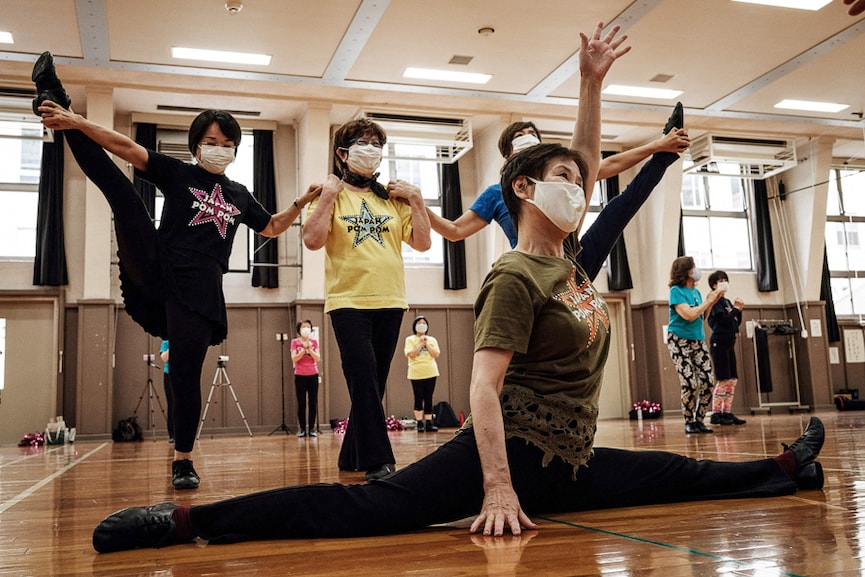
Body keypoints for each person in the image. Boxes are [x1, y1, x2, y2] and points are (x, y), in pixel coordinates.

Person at [89, 23, 826, 555]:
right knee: (367, 509)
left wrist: (591, 84)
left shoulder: (570, 260)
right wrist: (498, 488)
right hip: (504, 454)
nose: (580, 187)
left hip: (566, 457)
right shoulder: (514, 271)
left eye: (581, 179)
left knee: (672, 471)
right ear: (522, 192)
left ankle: (785, 468)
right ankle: (186, 521)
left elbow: (587, 160)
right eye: (564, 181)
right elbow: (479, 389)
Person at [34, 53, 321, 490]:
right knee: (122, 193)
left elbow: (274, 226)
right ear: (195, 145)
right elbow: (126, 148)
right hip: (157, 265)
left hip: (200, 292)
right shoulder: (180, 174)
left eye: (227, 142)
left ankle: (182, 459)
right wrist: (76, 122)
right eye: (210, 140)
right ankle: (59, 100)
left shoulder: (240, 194)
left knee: (184, 375)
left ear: (235, 149)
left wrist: (302, 202)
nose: (219, 147)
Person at [302, 118, 432, 481]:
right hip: (348, 300)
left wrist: (417, 200)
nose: (371, 149)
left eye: (377, 143)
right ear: (343, 153)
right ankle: (379, 459)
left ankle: (351, 454)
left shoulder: (391, 198)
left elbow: (422, 242)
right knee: (361, 375)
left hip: (390, 298)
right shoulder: (330, 195)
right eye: (363, 142)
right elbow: (312, 240)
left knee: (373, 382)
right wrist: (327, 194)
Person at [427, 107, 690, 281]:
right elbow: (454, 230)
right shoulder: (497, 193)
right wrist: (418, 204)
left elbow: (605, 166)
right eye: (519, 136)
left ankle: (663, 158)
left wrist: (658, 145)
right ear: (508, 152)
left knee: (617, 209)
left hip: (575, 255)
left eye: (532, 134)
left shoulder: (559, 176)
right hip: (538, 267)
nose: (527, 137)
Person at [666, 256, 725, 435]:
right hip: (679, 341)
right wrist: (708, 301)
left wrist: (711, 301)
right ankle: (689, 420)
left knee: (707, 381)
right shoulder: (676, 291)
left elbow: (701, 318)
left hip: (697, 340)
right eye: (694, 267)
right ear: (686, 271)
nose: (697, 270)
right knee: (690, 383)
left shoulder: (697, 294)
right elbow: (689, 315)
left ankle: (700, 420)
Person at [706, 271, 746, 426]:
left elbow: (734, 321)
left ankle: (726, 412)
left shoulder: (727, 301)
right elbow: (723, 320)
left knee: (732, 379)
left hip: (730, 341)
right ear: (714, 285)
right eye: (720, 281)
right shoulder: (714, 301)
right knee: (723, 379)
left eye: (725, 280)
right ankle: (716, 413)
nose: (724, 283)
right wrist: (736, 309)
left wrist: (738, 310)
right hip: (719, 341)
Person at [404, 315, 441, 433]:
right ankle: (419, 422)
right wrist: (420, 344)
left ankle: (429, 422)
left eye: (424, 323)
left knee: (429, 397)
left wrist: (426, 344)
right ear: (414, 326)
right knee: (418, 397)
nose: (421, 324)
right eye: (419, 322)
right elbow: (411, 354)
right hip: (416, 372)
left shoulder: (432, 339)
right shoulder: (410, 339)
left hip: (430, 371)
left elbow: (436, 354)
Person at [290, 320, 321, 437]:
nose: (306, 329)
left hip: (313, 374)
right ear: (299, 330)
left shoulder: (314, 342)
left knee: (313, 402)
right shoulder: (295, 342)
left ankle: (312, 429)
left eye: (308, 326)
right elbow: (294, 358)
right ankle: (302, 429)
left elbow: (317, 358)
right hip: (300, 375)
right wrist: (303, 350)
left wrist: (310, 350)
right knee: (301, 403)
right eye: (304, 327)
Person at [159, 340, 175, 443]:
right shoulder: (166, 341)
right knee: (172, 404)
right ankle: (172, 434)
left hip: (183, 373)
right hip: (169, 374)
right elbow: (164, 358)